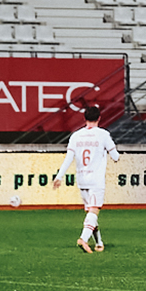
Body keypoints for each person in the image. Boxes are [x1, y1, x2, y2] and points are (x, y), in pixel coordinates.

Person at [51, 105, 119, 253]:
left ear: (84, 118)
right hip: (96, 180)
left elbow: (69, 158)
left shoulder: (76, 136)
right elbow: (115, 156)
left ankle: (99, 242)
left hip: (82, 179)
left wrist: (59, 176)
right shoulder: (103, 134)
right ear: (99, 118)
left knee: (90, 213)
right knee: (94, 211)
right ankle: (83, 238)